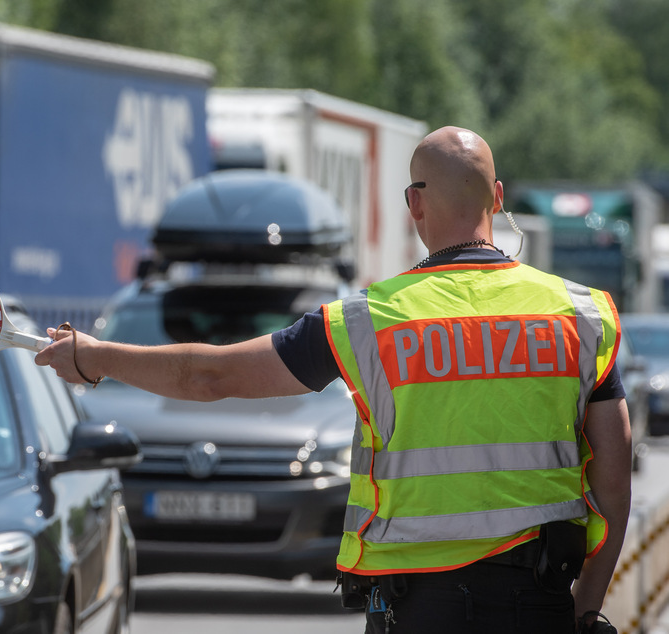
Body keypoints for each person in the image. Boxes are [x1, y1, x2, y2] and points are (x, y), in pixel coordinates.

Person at [35, 126, 631, 633]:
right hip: (539, 600)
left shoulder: (368, 320)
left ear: (415, 204)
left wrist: (98, 356)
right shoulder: (580, 315)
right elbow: (615, 465)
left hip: (418, 606)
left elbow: (210, 375)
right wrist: (586, 606)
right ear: (497, 198)